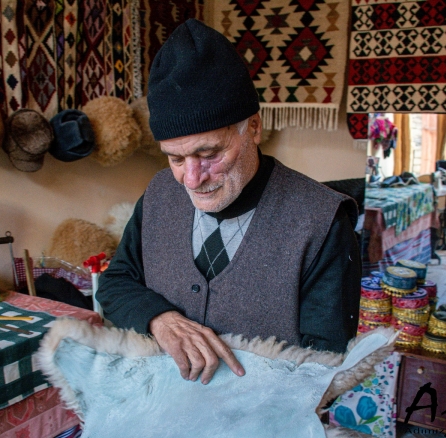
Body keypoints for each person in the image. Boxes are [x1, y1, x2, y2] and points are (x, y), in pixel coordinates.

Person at [96, 19, 360, 385]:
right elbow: (115, 282)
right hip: (166, 411)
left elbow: (323, 366)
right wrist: (162, 319)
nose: (192, 179)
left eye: (209, 153)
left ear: (253, 128)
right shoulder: (158, 195)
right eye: (175, 158)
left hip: (266, 424)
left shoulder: (322, 221)